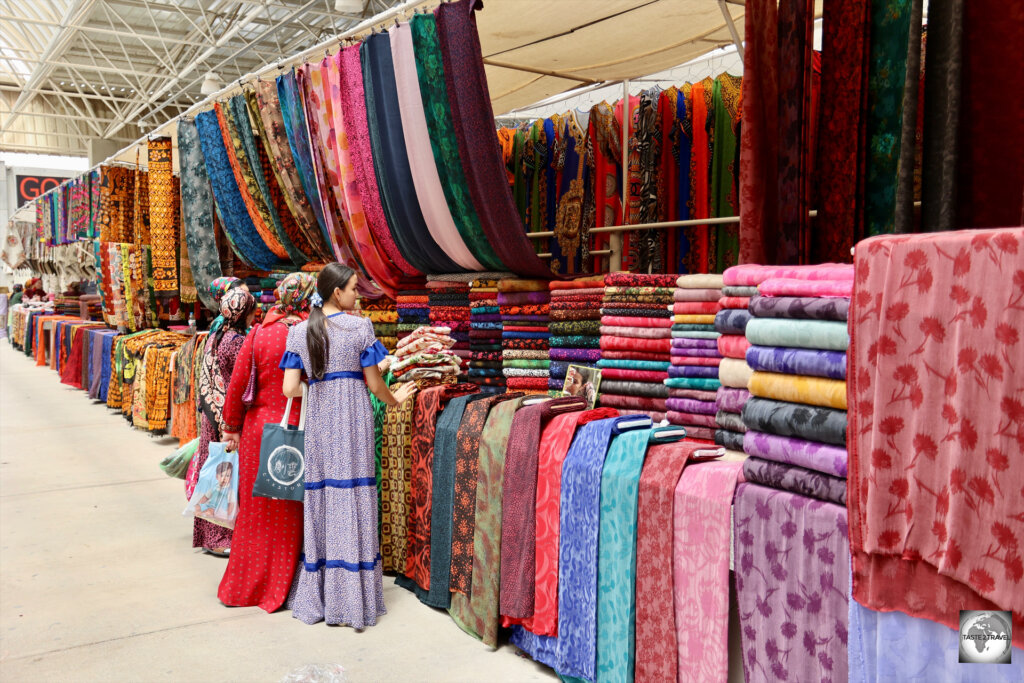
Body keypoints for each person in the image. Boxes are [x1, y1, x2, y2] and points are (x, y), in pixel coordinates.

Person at [280, 263, 416, 628]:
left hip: (321, 426)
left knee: (324, 497)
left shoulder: (298, 331)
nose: (359, 295)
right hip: (353, 423)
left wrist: (321, 386)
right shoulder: (360, 327)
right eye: (355, 289)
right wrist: (397, 398)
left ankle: (323, 596)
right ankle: (352, 599)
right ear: (336, 292)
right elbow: (375, 386)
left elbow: (289, 389)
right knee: (353, 496)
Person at [218, 272, 316, 612]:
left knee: (255, 512)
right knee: (291, 511)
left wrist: (231, 427)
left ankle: (242, 588)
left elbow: (237, 384)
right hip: (297, 429)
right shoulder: (312, 334)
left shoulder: (260, 333)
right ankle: (285, 588)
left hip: (259, 432)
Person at [187, 287, 256, 557]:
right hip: (226, 419)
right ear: (243, 313)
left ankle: (210, 536)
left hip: (212, 414)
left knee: (215, 473)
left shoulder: (217, 334)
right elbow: (244, 381)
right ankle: (220, 539)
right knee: (224, 475)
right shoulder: (237, 341)